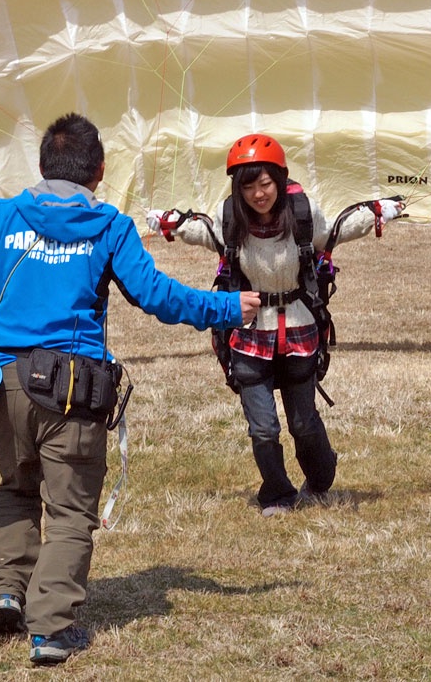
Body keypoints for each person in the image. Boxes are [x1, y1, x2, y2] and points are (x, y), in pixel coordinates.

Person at [0, 113, 259, 668]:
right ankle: (49, 629)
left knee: (16, 488)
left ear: (42, 167)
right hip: (72, 388)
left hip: (4, 385)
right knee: (70, 511)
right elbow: (158, 297)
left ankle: (5, 592)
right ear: (98, 171)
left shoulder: (3, 216)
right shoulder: (111, 226)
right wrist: (228, 308)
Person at [145, 133, 402, 517]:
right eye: (247, 186)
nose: (258, 194)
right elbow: (205, 233)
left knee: (303, 422)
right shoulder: (230, 217)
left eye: (264, 183)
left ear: (279, 180)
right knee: (263, 428)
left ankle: (319, 480)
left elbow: (333, 233)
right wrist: (171, 224)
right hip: (249, 335)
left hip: (299, 332)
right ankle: (277, 494)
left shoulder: (302, 214)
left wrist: (377, 213)